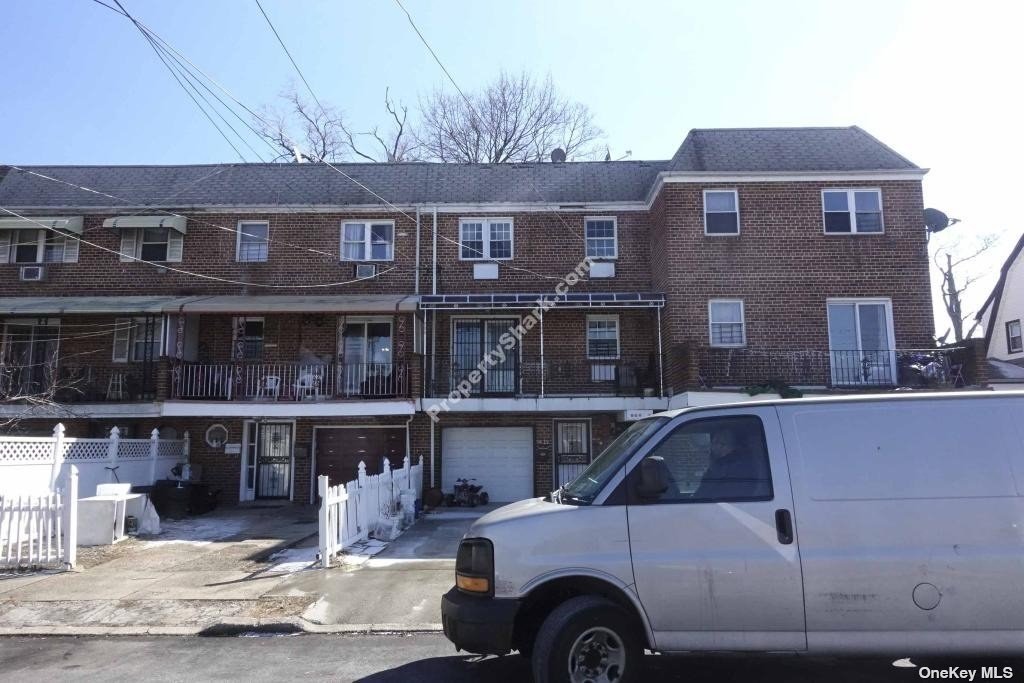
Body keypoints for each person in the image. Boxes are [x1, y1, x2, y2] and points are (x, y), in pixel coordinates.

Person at [693, 427, 770, 500]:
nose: (711, 446)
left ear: (724, 446)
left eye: (715, 442)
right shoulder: (728, 465)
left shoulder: (728, 467)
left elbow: (706, 494)